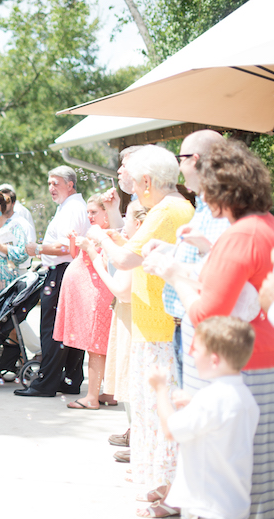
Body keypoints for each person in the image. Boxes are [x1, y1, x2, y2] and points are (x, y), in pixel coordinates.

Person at [143, 139, 274, 519]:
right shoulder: (264, 225)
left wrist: (171, 273)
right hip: (256, 360)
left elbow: (206, 314)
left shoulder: (241, 234)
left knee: (226, 472)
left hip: (235, 363)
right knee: (256, 470)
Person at [88, 145, 194, 508]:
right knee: (150, 414)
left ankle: (165, 494)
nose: (129, 184)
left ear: (147, 180)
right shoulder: (168, 208)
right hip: (155, 325)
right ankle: (161, 489)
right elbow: (134, 250)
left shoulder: (167, 210)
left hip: (161, 329)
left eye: (132, 178)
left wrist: (100, 238)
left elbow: (125, 258)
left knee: (157, 415)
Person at [147, 316, 259, 519]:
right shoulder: (244, 396)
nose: (191, 353)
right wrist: (193, 404)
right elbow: (220, 425)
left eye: (196, 349)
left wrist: (161, 389)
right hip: (234, 504)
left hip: (207, 507)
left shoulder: (211, 399)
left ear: (214, 359)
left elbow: (171, 430)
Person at [142, 130, 228, 392]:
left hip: (206, 327)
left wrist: (172, 270)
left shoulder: (222, 206)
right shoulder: (204, 204)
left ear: (195, 159)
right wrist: (170, 251)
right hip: (188, 323)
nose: (178, 167)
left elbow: (221, 268)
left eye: (181, 158)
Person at [15, 166, 91, 398]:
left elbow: (66, 247)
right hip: (66, 271)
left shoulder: (72, 208)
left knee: (52, 328)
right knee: (68, 329)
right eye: (49, 183)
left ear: (70, 184)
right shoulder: (71, 207)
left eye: (55, 183)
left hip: (62, 271)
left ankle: (46, 383)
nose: (51, 188)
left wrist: (37, 249)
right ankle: (69, 379)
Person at [54, 192, 120, 410]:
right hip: (91, 294)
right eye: (88, 212)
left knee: (96, 346)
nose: (89, 216)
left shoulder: (110, 234)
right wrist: (75, 241)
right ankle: (108, 393)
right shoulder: (95, 233)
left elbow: (106, 261)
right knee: (100, 345)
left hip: (98, 295)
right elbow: (76, 256)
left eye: (94, 212)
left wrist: (89, 246)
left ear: (107, 214)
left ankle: (92, 397)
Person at [93, 200, 148, 463]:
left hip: (133, 318)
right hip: (133, 318)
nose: (122, 221)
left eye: (126, 217)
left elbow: (122, 291)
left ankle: (140, 440)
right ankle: (136, 435)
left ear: (137, 223)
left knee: (130, 376)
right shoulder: (140, 245)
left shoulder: (139, 249)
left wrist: (97, 262)